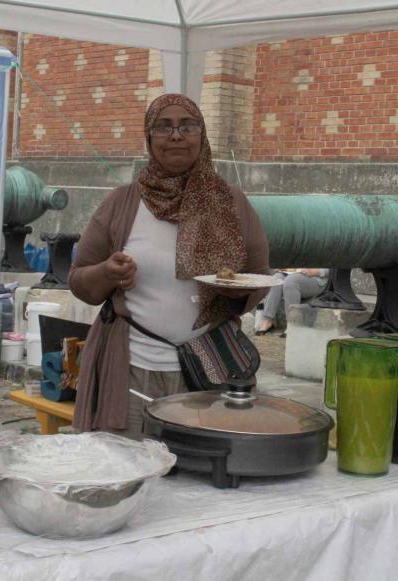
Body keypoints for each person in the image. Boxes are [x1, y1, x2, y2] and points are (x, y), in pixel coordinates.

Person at [68, 93, 270, 439]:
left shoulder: (231, 203)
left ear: (201, 136)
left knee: (197, 476)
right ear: (149, 138)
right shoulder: (121, 203)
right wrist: (107, 272)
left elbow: (259, 276)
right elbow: (79, 280)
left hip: (208, 371)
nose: (176, 135)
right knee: (128, 466)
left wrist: (232, 290)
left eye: (187, 126)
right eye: (163, 127)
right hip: (132, 368)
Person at [256, 268, 329, 336]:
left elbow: (333, 269)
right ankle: (268, 320)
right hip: (294, 273)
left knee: (291, 281)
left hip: (316, 278)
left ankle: (291, 323)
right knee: (276, 279)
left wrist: (316, 272)